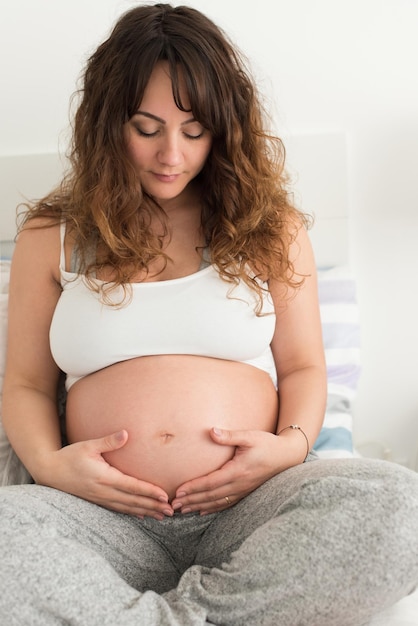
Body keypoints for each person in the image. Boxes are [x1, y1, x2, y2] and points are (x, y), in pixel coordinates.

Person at [0, 4, 417, 625]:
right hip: (99, 520)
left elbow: (302, 368)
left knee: (402, 508)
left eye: (194, 132)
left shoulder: (270, 229)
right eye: (147, 128)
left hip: (251, 513)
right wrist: (51, 465)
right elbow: (27, 383)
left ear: (225, 128)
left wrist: (289, 448)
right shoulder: (52, 234)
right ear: (106, 124)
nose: (172, 154)